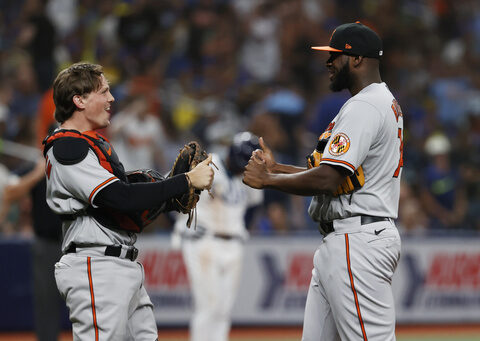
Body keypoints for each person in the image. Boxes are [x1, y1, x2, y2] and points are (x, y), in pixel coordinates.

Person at [243, 22, 404, 341]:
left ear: (356, 59)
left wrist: (269, 181)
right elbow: (342, 175)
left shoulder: (364, 106)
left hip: (356, 240)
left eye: (335, 56)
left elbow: (329, 179)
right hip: (349, 238)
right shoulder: (378, 101)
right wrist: (277, 169)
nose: (328, 63)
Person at [44, 62, 214, 340]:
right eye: (104, 91)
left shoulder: (88, 144)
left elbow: (127, 207)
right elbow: (119, 198)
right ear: (80, 100)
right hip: (95, 266)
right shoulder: (67, 145)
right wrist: (184, 182)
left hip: (118, 264)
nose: (111, 99)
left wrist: (171, 195)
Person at [171, 132, 263, 341]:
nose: (241, 168)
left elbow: (255, 203)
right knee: (208, 306)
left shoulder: (250, 174)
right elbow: (176, 191)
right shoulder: (207, 165)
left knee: (224, 309)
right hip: (204, 242)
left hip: (234, 244)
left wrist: (241, 226)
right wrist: (181, 226)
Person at [1, 159, 65, 341]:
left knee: (83, 303)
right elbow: (10, 191)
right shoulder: (36, 167)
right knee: (46, 304)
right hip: (45, 244)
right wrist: (37, 174)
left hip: (76, 245)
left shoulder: (76, 163)